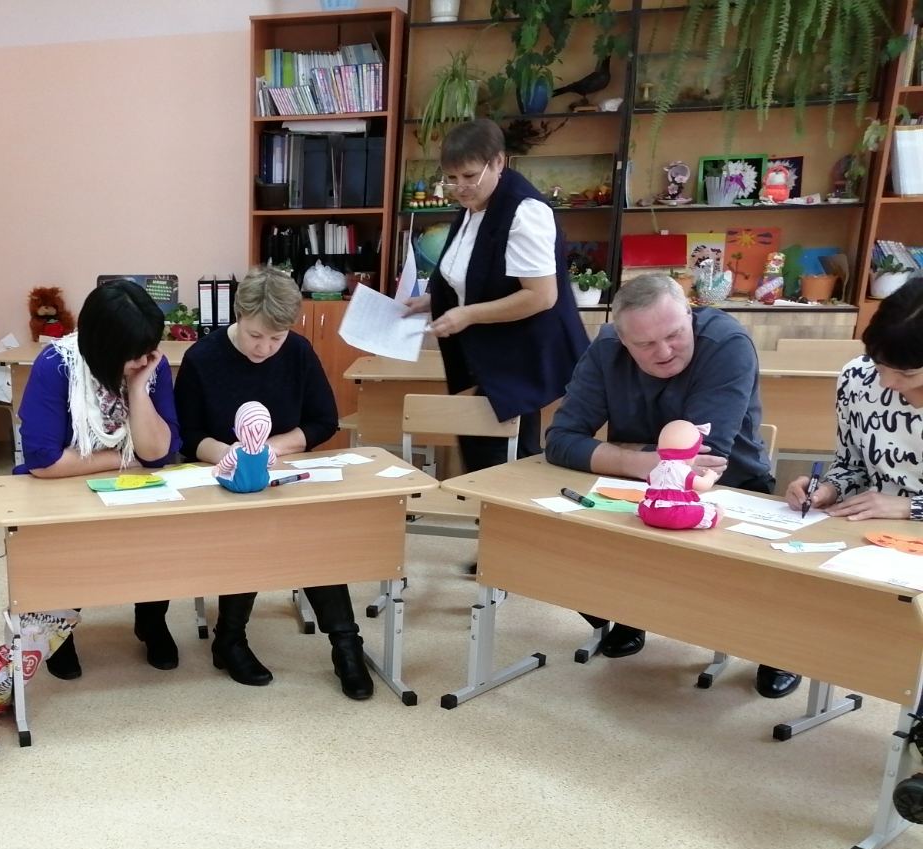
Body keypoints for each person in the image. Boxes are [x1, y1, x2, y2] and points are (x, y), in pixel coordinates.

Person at [544, 273, 801, 699]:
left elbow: (701, 462)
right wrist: (640, 462)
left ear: (690, 314)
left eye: (674, 335)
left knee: (752, 582)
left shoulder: (727, 344)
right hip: (637, 489)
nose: (663, 352)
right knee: (563, 541)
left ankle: (778, 649)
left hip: (734, 487)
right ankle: (629, 612)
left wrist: (620, 453)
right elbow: (559, 441)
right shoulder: (606, 347)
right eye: (645, 344)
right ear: (622, 340)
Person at [174, 265, 373, 700]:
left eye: (276, 338)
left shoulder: (298, 352)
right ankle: (230, 639)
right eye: (255, 336)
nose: (264, 348)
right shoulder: (203, 358)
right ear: (238, 316)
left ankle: (346, 644)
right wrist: (231, 455)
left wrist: (270, 449)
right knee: (251, 530)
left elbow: (323, 421)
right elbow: (186, 435)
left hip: (284, 472)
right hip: (223, 477)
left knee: (313, 532)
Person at [15, 279, 181, 679]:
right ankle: (59, 629)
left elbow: (159, 453)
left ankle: (151, 620)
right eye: (133, 355)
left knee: (159, 533)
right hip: (62, 490)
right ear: (103, 348)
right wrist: (123, 459)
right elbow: (44, 462)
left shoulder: (150, 366)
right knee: (66, 547)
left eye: (147, 351)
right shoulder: (56, 365)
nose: (143, 360)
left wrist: (138, 389)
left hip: (124, 487)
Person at [404, 119, 587, 471]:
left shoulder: (524, 212)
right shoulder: (476, 203)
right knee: (480, 447)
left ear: (499, 162)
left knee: (501, 459)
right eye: (451, 178)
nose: (460, 187)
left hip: (522, 356)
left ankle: (502, 503)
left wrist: (468, 314)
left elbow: (540, 296)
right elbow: (473, 272)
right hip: (489, 354)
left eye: (470, 176)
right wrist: (433, 300)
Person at [786, 278, 923, 521]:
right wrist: (829, 489)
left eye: (907, 374)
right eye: (879, 367)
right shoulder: (858, 376)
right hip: (869, 532)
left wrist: (911, 507)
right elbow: (852, 465)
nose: (886, 383)